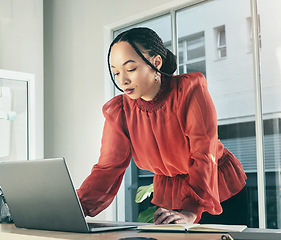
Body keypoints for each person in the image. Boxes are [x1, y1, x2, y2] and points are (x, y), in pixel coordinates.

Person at [76, 27, 247, 225]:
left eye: (130, 69)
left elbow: (204, 153)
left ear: (156, 63)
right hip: (171, 196)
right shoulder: (121, 111)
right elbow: (108, 168)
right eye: (116, 73)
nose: (123, 80)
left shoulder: (189, 90)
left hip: (217, 190)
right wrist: (79, 207)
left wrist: (191, 211)